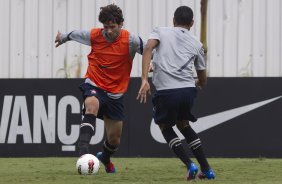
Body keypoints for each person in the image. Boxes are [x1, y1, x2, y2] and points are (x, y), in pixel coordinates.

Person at [55, 4, 145, 173]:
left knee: (114, 140)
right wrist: (63, 37)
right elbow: (75, 34)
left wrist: (154, 62)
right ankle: (83, 153)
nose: (108, 31)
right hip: (95, 84)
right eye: (105, 27)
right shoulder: (95, 35)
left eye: (112, 27)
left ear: (121, 24)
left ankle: (105, 158)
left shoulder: (131, 40)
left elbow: (149, 50)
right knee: (91, 104)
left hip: (116, 94)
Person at [137, 6, 215, 180]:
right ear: (192, 23)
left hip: (166, 91)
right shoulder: (197, 44)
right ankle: (207, 169)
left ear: (173, 20)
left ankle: (190, 165)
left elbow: (148, 48)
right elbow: (202, 81)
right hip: (188, 91)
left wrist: (144, 79)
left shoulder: (160, 31)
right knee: (184, 125)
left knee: (165, 126)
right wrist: (192, 82)